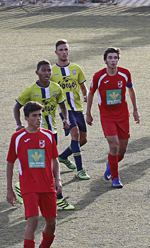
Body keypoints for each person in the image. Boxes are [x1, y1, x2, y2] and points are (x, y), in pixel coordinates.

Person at [6, 101, 62, 248]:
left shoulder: (48, 135)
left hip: (47, 186)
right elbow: (10, 163)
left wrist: (58, 180)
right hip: (29, 187)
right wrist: (9, 189)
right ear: (26, 118)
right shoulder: (18, 138)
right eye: (35, 116)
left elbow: (54, 160)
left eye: (40, 115)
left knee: (51, 223)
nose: (39, 119)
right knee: (34, 220)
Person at [14, 60, 74, 211]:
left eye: (49, 70)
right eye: (44, 70)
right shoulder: (30, 90)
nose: (47, 73)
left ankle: (21, 186)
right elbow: (17, 106)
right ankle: (59, 199)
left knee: (48, 164)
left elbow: (63, 106)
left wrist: (65, 119)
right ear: (37, 72)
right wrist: (19, 124)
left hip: (51, 133)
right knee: (43, 165)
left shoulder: (56, 88)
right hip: (35, 134)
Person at [86, 47, 140, 189]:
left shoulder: (125, 73)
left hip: (123, 116)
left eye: (115, 58)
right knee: (114, 146)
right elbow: (91, 93)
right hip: (107, 116)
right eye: (110, 58)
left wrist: (135, 110)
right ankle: (115, 178)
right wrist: (88, 113)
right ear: (105, 60)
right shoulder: (99, 76)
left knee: (122, 150)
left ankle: (111, 164)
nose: (113, 60)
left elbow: (131, 89)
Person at [51, 39, 90, 180]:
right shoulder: (52, 71)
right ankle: (80, 170)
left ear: (69, 51)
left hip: (77, 108)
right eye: (61, 50)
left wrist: (85, 95)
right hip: (65, 110)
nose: (64, 52)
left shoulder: (76, 68)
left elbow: (83, 87)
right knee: (75, 134)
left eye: (66, 49)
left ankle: (63, 156)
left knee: (83, 140)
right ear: (56, 52)